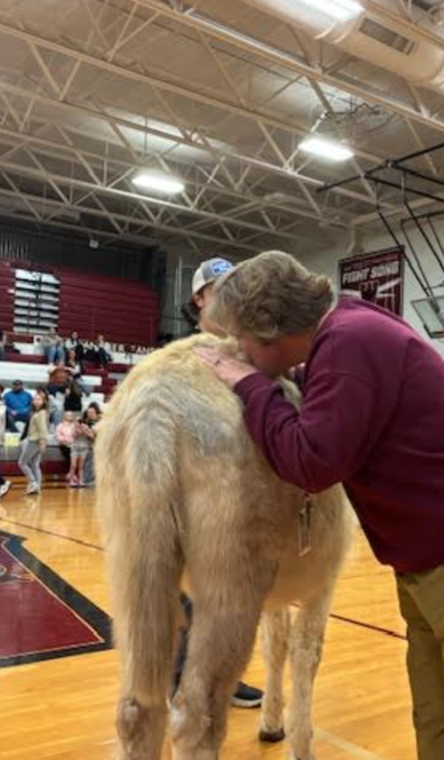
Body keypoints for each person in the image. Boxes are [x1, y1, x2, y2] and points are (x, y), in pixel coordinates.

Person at [196, 251, 444, 757]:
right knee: (439, 714)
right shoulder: (344, 334)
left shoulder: (350, 342)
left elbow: (313, 462)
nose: (240, 354)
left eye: (244, 342)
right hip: (433, 554)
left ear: (273, 327)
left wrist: (251, 385)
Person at [175, 254, 264, 711]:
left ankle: (222, 678)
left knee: (227, 595)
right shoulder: (183, 357)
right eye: (218, 290)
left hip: (236, 489)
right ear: (199, 298)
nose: (228, 298)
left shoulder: (249, 356)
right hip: (192, 487)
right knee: (189, 592)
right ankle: (183, 683)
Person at [19, 388, 50, 496]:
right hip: (35, 439)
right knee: (35, 464)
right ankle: (37, 487)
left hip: (35, 440)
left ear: (43, 402)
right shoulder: (38, 412)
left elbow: (43, 429)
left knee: (22, 463)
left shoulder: (41, 413)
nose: (36, 401)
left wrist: (43, 442)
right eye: (35, 399)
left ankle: (33, 482)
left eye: (39, 399)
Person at [80, 403, 101, 486]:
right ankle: (86, 479)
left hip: (98, 445)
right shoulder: (87, 422)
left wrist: (89, 432)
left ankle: (89, 480)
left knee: (91, 455)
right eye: (88, 413)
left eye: (92, 413)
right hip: (90, 445)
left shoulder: (101, 421)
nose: (90, 414)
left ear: (96, 412)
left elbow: (96, 437)